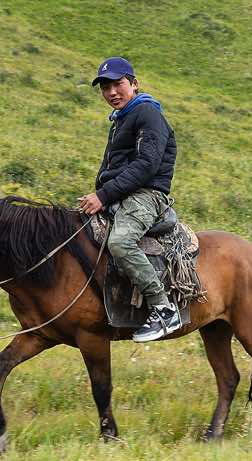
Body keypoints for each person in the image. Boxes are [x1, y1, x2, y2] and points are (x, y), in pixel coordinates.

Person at [79, 57, 181, 343]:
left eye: (118, 84)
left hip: (146, 195)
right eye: (105, 87)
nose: (112, 92)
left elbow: (146, 165)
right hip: (122, 193)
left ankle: (163, 308)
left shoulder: (147, 113)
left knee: (120, 242)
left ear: (134, 84)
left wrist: (103, 195)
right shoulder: (120, 120)